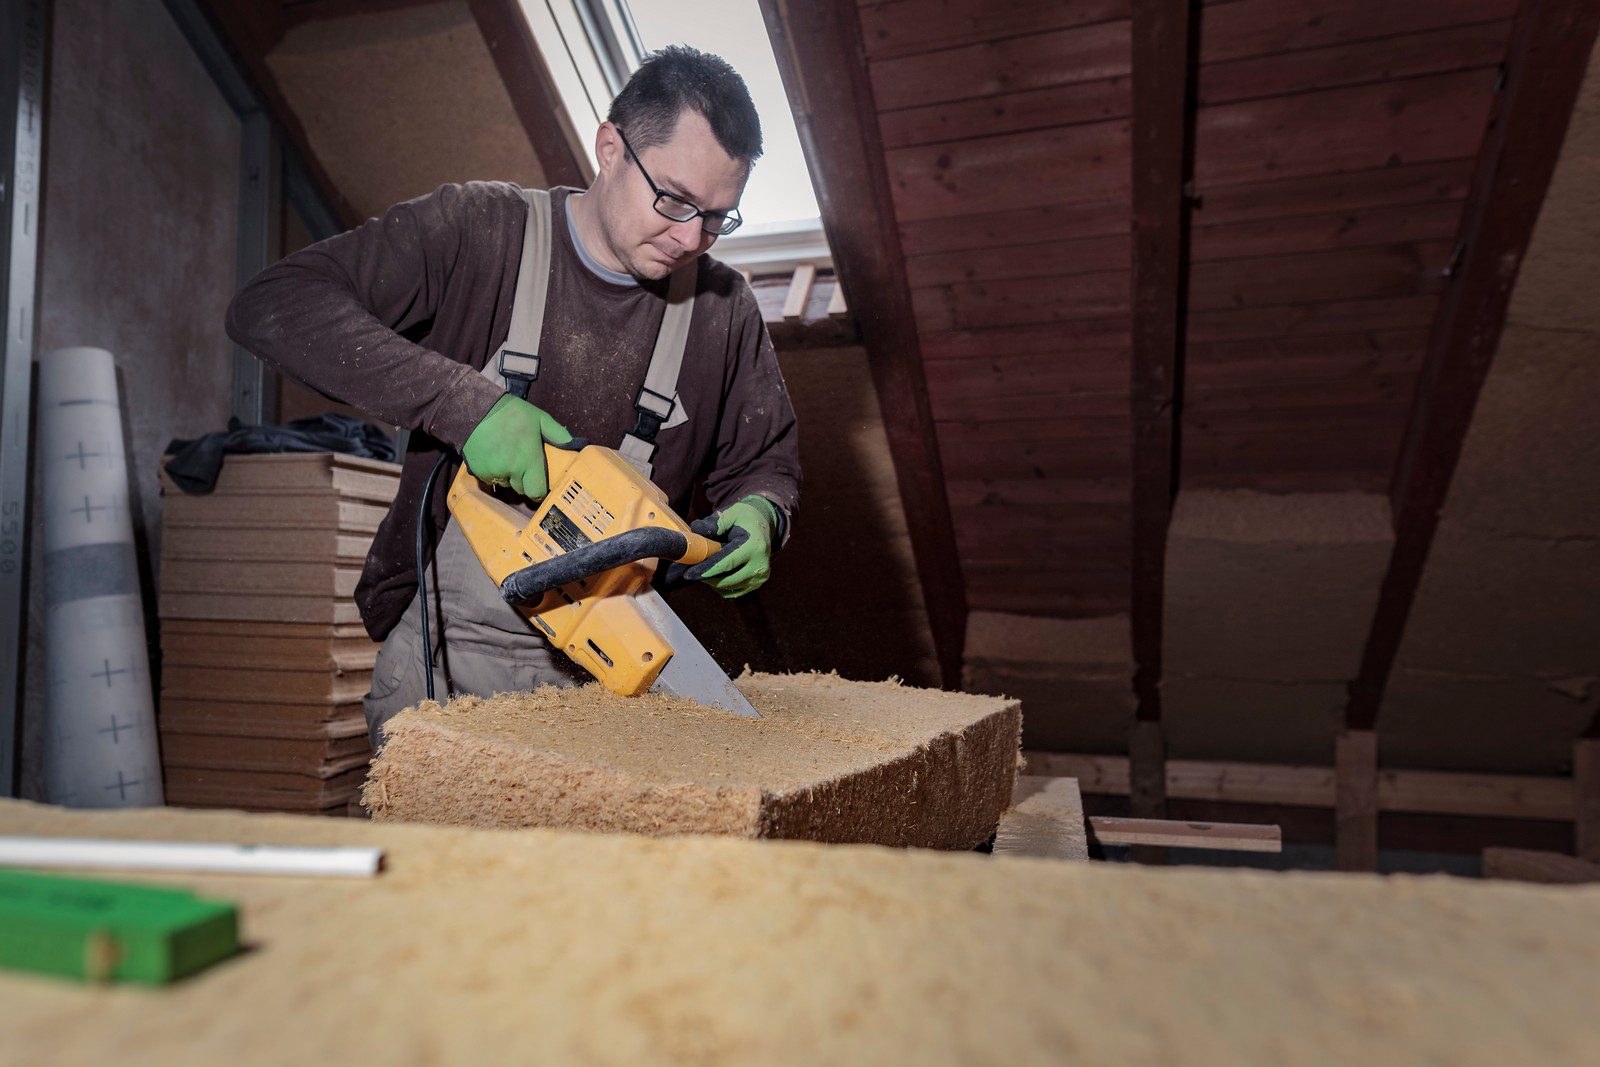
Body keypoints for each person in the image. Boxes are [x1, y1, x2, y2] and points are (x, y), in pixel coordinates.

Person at [226, 46, 801, 747]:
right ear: (610, 147)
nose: (691, 238)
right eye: (675, 200)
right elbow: (275, 305)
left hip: (614, 684)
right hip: (446, 660)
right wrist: (466, 405)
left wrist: (763, 512)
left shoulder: (723, 309)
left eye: (717, 217)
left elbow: (765, 462)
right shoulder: (480, 231)